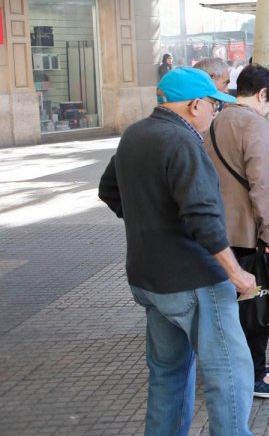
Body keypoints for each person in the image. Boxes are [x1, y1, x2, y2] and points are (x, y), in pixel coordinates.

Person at [98, 67, 254, 435]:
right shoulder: (183, 142)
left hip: (149, 280)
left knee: (167, 376)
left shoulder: (135, 134)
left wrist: (150, 221)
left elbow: (108, 191)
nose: (216, 114)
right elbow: (203, 217)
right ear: (195, 105)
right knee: (229, 375)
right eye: (215, 106)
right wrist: (236, 273)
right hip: (195, 281)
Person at [202, 64, 269, 398]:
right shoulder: (254, 125)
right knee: (258, 308)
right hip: (252, 234)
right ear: (262, 94)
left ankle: (249, 366)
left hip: (222, 232)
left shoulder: (216, 121)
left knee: (239, 307)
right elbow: (264, 184)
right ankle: (255, 377)